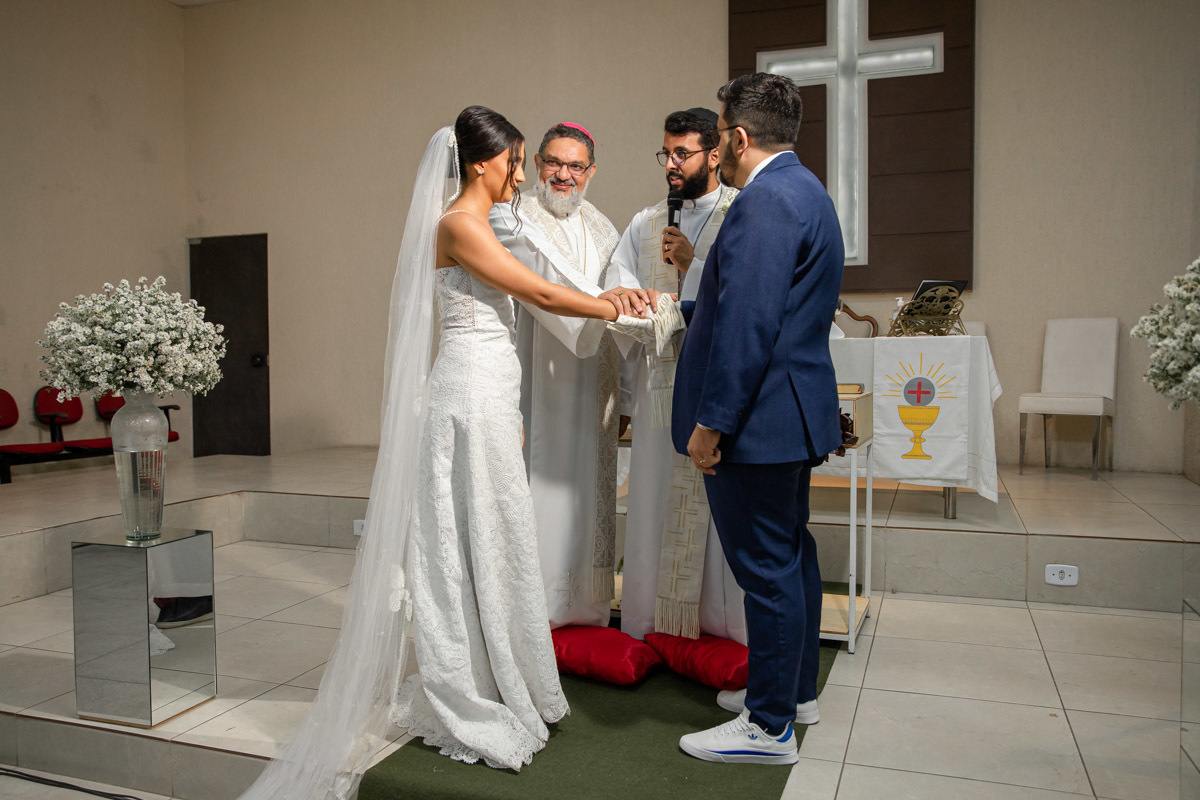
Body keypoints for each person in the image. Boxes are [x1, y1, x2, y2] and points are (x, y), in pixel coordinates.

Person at [238, 106, 650, 799]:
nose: (521, 174)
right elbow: (538, 290)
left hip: (490, 395)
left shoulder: (487, 220)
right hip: (468, 394)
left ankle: (500, 669)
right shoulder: (460, 224)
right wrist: (614, 308)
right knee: (473, 536)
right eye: (515, 161)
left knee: (492, 532)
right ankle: (469, 681)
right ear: (482, 163)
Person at [672, 73, 844, 765]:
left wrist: (712, 423)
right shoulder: (806, 189)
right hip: (786, 412)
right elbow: (762, 302)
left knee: (767, 571)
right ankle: (793, 693)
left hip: (756, 422)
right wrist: (683, 309)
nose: (717, 152)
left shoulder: (765, 201)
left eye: (718, 137)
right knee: (790, 557)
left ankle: (768, 728)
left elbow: (748, 324)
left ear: (739, 138)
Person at [490, 123, 645, 628]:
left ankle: (584, 610)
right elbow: (548, 283)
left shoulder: (603, 228)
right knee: (539, 492)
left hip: (596, 387)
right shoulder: (515, 215)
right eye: (554, 163)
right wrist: (606, 302)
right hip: (538, 380)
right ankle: (533, 615)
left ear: (591, 172)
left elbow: (622, 299)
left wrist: (625, 398)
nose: (564, 174)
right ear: (537, 163)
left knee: (588, 496)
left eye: (576, 166)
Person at [608, 108, 746, 644]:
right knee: (653, 499)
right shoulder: (646, 223)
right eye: (665, 153)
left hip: (714, 383)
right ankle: (650, 622)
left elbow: (748, 294)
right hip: (657, 386)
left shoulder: (740, 212)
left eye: (681, 153)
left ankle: (717, 628)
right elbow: (617, 284)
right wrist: (632, 299)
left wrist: (692, 265)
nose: (670, 163)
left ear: (713, 155)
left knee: (714, 509)